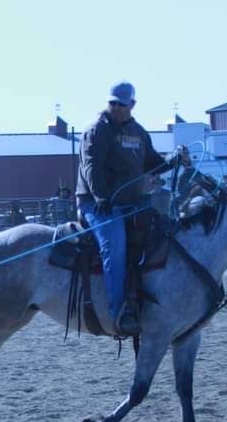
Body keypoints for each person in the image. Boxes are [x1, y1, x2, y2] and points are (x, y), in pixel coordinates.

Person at [76, 81, 190, 336]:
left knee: (162, 239)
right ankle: (119, 312)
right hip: (98, 204)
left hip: (133, 203)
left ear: (132, 105)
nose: (116, 108)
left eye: (121, 104)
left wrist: (175, 160)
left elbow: (152, 164)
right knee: (115, 247)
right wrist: (100, 196)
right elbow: (90, 166)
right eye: (112, 103)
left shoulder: (139, 132)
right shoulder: (97, 130)